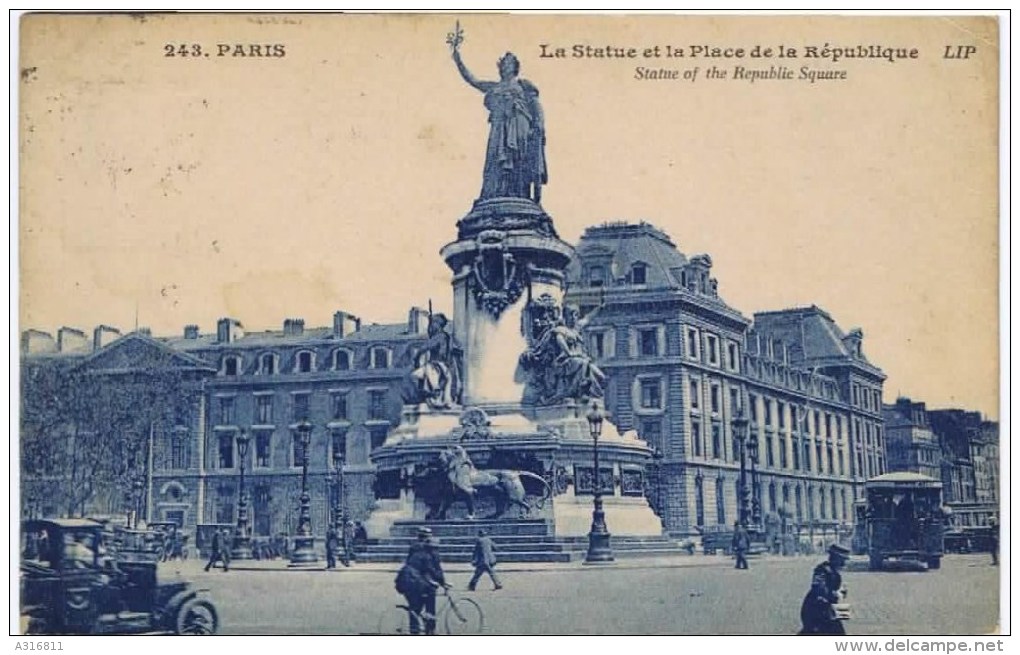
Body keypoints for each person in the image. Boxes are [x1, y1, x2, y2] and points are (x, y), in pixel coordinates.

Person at [450, 27, 547, 203]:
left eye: (508, 62)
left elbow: (537, 109)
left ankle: (519, 195)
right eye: (502, 62)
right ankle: (495, 193)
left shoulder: (523, 85)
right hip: (499, 126)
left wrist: (538, 128)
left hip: (519, 126)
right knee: (495, 158)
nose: (504, 65)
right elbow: (473, 80)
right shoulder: (494, 86)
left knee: (518, 160)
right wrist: (458, 61)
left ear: (515, 67)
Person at [401, 527, 449, 635]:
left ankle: (414, 630)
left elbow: (409, 563)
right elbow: (435, 568)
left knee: (414, 608)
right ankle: (430, 631)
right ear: (429, 537)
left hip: (410, 581)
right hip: (426, 584)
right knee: (430, 608)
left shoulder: (413, 547)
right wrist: (442, 582)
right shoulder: (431, 549)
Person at [799, 544, 850, 635]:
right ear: (835, 558)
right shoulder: (822, 570)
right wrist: (835, 594)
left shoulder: (834, 572)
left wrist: (840, 593)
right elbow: (818, 588)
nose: (844, 563)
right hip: (814, 610)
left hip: (827, 610)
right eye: (842, 559)